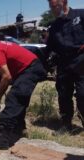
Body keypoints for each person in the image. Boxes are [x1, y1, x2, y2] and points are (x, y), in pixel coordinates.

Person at [46, 0, 84, 131]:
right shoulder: (54, 26)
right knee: (63, 94)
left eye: (55, 6)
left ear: (64, 2)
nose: (53, 10)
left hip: (81, 59)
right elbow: (50, 47)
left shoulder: (80, 15)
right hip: (63, 63)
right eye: (51, 8)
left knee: (83, 94)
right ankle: (66, 123)